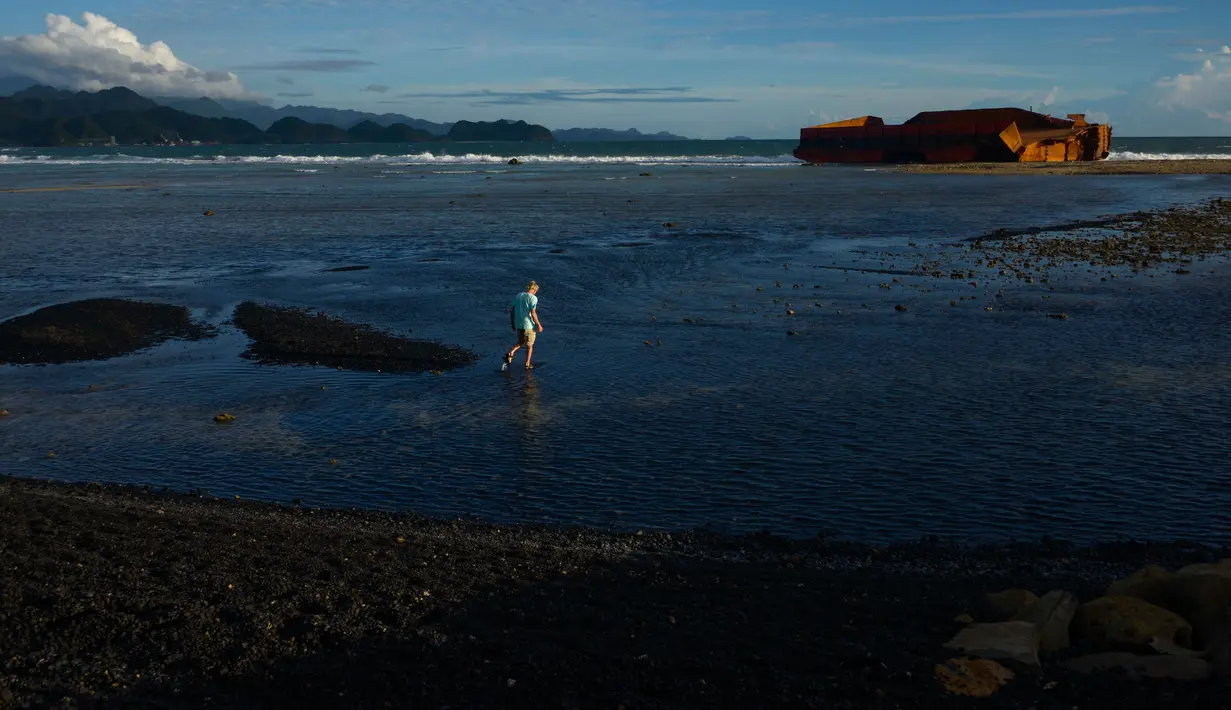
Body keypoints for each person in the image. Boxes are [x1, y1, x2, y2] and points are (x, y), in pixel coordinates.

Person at [503, 281, 543, 370]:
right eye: (536, 291)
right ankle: (527, 364)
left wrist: (513, 323)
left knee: (521, 341)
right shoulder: (533, 298)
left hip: (519, 324)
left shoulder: (518, 295)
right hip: (528, 325)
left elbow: (512, 310)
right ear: (533, 290)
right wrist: (539, 325)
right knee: (530, 345)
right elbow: (533, 313)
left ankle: (511, 352)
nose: (536, 292)